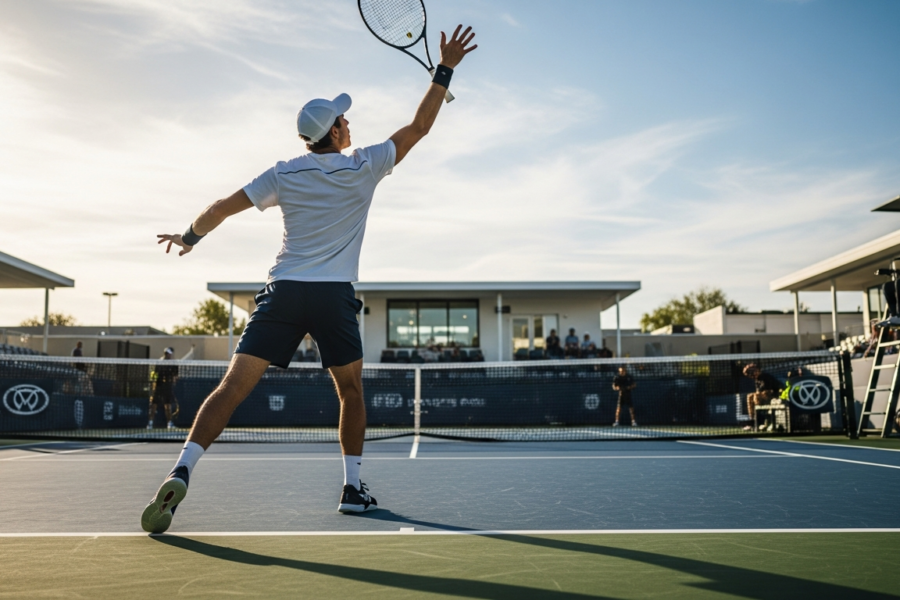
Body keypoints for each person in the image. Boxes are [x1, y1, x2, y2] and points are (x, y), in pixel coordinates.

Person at [142, 26, 478, 534]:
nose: (349, 122)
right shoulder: (365, 164)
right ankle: (351, 488)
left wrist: (190, 237)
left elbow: (221, 209)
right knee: (351, 393)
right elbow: (419, 127)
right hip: (333, 296)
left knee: (232, 388)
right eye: (344, 118)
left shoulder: (283, 172)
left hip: (284, 290)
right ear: (336, 133)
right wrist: (444, 69)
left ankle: (181, 469)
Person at [741, 363, 784, 431]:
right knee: (750, 396)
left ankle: (759, 420)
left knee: (756, 396)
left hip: (775, 397)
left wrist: (758, 396)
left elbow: (770, 390)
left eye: (752, 372)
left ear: (757, 370)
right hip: (764, 399)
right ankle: (753, 421)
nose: (751, 375)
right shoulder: (757, 380)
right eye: (749, 374)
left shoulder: (766, 377)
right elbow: (758, 391)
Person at [148, 347, 179, 430]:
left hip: (168, 386)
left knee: (168, 405)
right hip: (159, 386)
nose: (168, 354)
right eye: (166, 353)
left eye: (169, 353)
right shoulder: (159, 362)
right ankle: (150, 423)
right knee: (154, 405)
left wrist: (173, 382)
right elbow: (155, 374)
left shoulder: (174, 364)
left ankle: (169, 423)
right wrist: (154, 384)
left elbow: (175, 376)